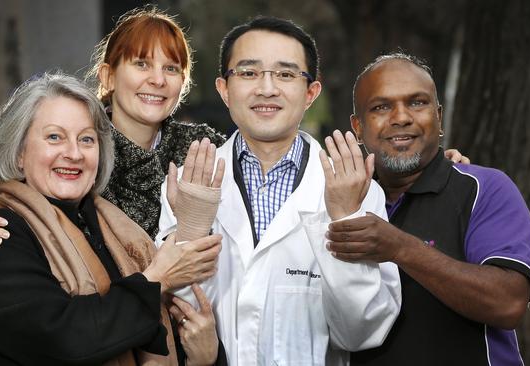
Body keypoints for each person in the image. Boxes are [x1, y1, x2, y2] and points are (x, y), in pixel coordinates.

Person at [0, 7, 224, 296]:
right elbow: (4, 245)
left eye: (171, 68)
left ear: (183, 84)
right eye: (141, 64)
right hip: (88, 329)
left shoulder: (203, 148)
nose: (157, 79)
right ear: (108, 76)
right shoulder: (70, 154)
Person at [157, 16, 401, 366]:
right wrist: (192, 230)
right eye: (249, 73)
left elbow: (360, 333)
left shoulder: (358, 190)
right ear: (224, 89)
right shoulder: (189, 185)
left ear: (311, 93)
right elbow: (179, 316)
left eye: (286, 74)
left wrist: (345, 218)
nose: (267, 88)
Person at [0, 72, 224, 365]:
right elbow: (65, 339)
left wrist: (205, 358)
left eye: (86, 139)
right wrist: (159, 278)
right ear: (19, 152)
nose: (74, 153)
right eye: (54, 137)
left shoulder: (113, 228)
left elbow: (154, 333)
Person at [326, 53, 530, 365]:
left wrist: (399, 247)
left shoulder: (485, 189)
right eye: (381, 107)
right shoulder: (340, 201)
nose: (401, 117)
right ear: (358, 127)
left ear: (439, 117)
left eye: (416, 103)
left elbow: (508, 304)